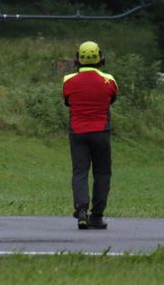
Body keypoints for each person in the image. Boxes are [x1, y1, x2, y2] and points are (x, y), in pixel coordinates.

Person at [62, 41, 118, 230]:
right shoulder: (109, 80)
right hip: (101, 132)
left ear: (77, 59)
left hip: (78, 132)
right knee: (102, 173)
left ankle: (81, 210)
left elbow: (67, 102)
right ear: (100, 58)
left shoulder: (68, 80)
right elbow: (111, 99)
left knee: (80, 172)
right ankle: (97, 215)